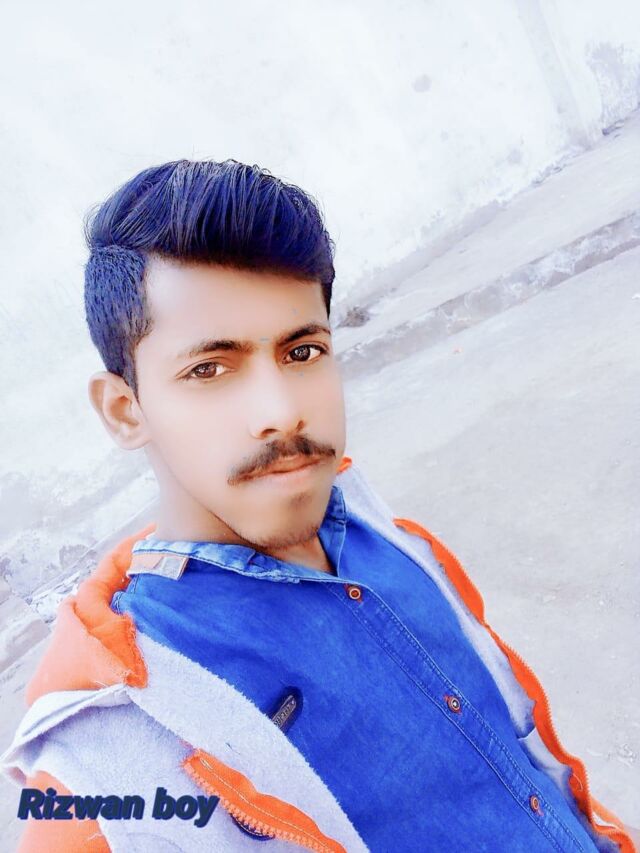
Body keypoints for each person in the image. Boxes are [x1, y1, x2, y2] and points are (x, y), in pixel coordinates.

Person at [1, 159, 635, 852]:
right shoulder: (108, 766)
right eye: (208, 369)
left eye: (302, 351)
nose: (280, 411)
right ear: (125, 411)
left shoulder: (394, 544)